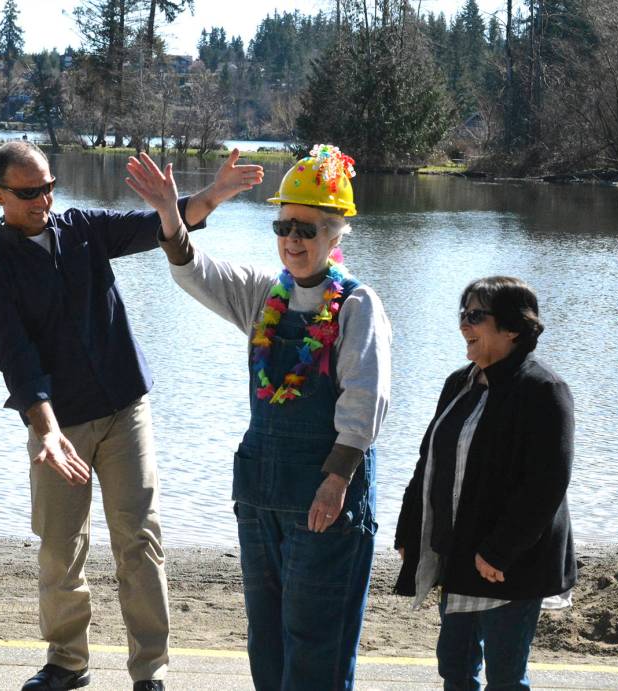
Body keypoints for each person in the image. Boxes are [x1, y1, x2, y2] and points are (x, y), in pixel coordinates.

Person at [0, 141, 263, 691]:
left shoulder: (81, 227)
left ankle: (150, 669)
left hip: (126, 407)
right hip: (60, 427)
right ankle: (67, 661)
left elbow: (160, 226)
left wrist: (215, 195)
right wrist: (48, 434)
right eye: (30, 192)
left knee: (140, 538)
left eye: (49, 186)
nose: (44, 199)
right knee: (60, 546)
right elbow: (18, 363)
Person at [125, 145, 391, 690]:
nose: (292, 239)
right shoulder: (262, 295)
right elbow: (194, 271)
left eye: (308, 229)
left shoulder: (357, 306)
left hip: (323, 496)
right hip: (261, 493)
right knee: (266, 638)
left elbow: (365, 398)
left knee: (316, 640)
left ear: (337, 233)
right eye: (284, 225)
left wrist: (337, 478)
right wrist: (171, 217)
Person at [393, 276, 576, 690]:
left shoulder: (544, 390)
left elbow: (547, 483)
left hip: (509, 565)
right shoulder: (460, 383)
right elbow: (429, 462)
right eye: (462, 315)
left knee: (506, 679)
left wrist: (499, 551)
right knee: (455, 670)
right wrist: (410, 530)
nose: (463, 326)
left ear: (513, 327)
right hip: (458, 554)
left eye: (475, 316)